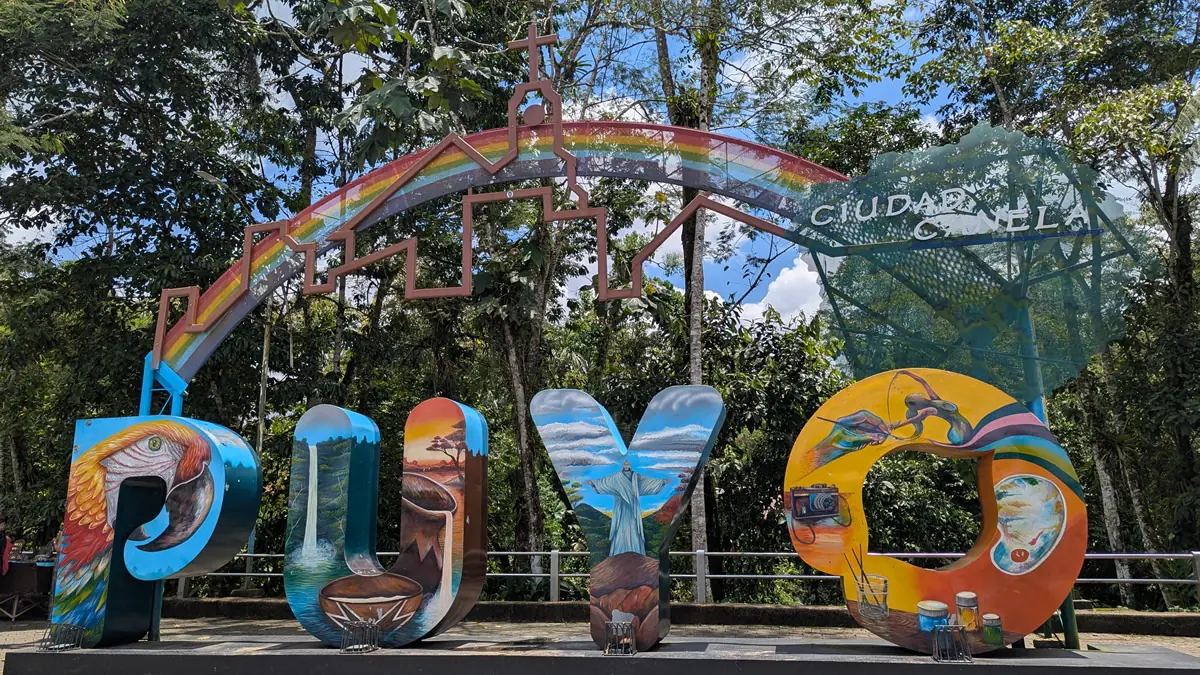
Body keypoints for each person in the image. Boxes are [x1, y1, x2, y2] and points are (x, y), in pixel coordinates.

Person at [586, 459, 670, 556]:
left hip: (633, 509)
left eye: (628, 463)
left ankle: (636, 551)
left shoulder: (636, 477)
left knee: (634, 529)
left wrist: (662, 482)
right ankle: (618, 552)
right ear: (623, 465)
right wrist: (593, 483)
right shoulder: (616, 477)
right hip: (621, 508)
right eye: (625, 463)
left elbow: (648, 483)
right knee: (620, 530)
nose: (626, 464)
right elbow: (605, 482)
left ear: (630, 465)